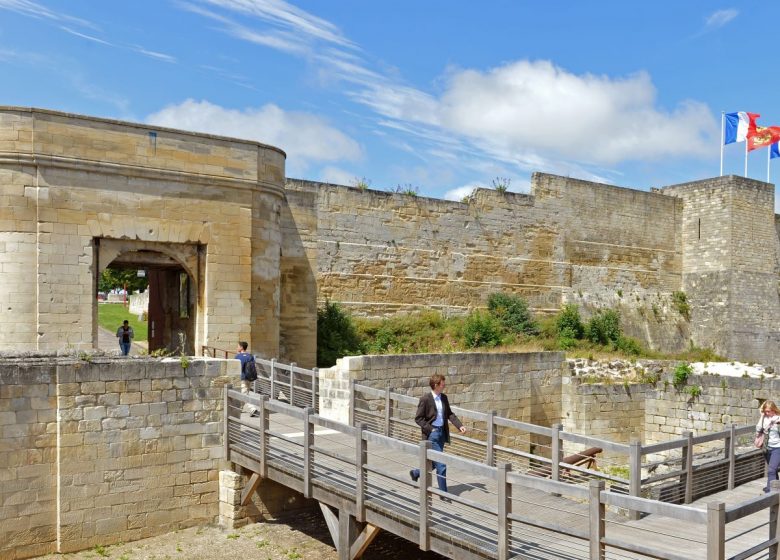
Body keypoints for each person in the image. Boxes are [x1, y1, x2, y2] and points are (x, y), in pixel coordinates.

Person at [409, 373, 467, 494]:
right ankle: (443, 493)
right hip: (432, 434)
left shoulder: (444, 397)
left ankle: (416, 473)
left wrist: (459, 425)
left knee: (434, 462)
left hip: (442, 433)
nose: (444, 385)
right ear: (436, 385)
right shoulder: (425, 399)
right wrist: (431, 429)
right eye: (442, 383)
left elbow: (449, 414)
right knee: (441, 464)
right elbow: (418, 419)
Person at [757, 400, 780, 493]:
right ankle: (775, 487)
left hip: (778, 448)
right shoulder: (764, 418)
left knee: (771, 470)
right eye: (765, 411)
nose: (767, 413)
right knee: (773, 470)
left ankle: (770, 492)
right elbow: (758, 429)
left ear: (774, 410)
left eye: (768, 411)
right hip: (767, 448)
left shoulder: (779, 419)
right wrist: (762, 416)